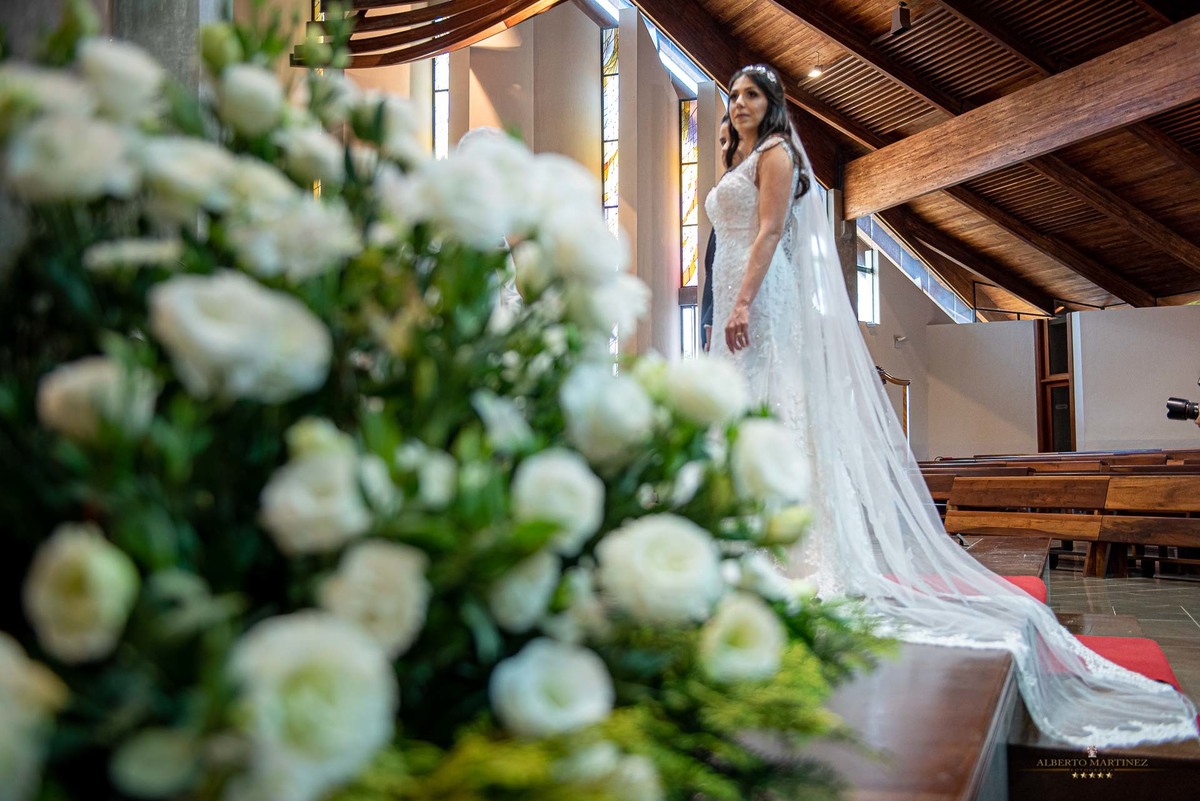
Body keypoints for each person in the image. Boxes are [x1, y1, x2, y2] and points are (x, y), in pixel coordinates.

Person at [705, 63, 1199, 748]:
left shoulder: (780, 154)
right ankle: (744, 540)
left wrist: (740, 301)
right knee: (743, 420)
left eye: (751, 94)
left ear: (774, 104)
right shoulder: (739, 155)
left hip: (760, 294)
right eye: (733, 95)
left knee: (778, 417)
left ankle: (794, 549)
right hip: (735, 291)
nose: (738, 104)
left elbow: (765, 235)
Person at [700, 115, 732, 351]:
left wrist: (713, 316)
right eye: (722, 142)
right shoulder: (728, 181)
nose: (725, 150)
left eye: (732, 141)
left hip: (733, 305)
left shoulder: (755, 185)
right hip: (715, 292)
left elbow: (732, 257)